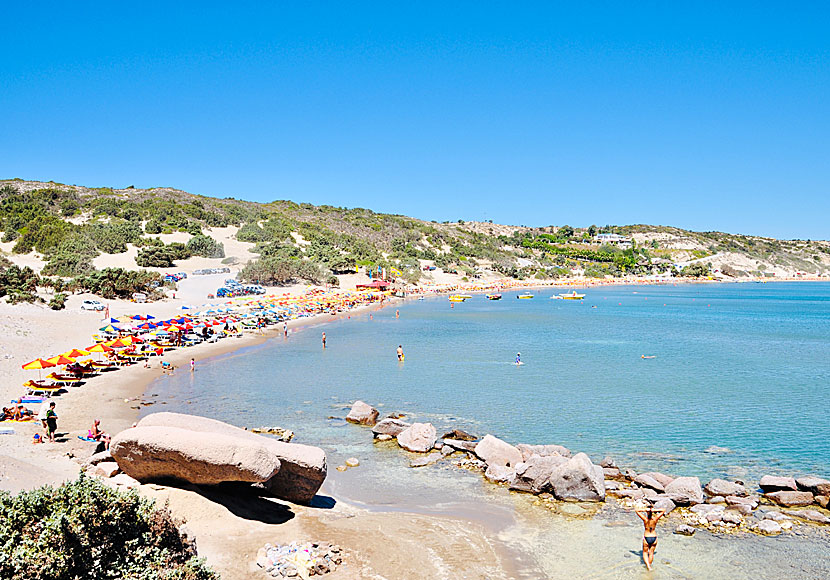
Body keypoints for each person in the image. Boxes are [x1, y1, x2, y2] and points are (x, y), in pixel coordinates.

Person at [635, 505, 666, 570]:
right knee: (651, 553)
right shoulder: (655, 519)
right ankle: (649, 566)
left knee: (645, 552)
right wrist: (653, 510)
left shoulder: (645, 519)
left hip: (647, 537)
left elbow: (636, 510)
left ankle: (648, 566)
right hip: (654, 537)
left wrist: (646, 510)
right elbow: (663, 510)